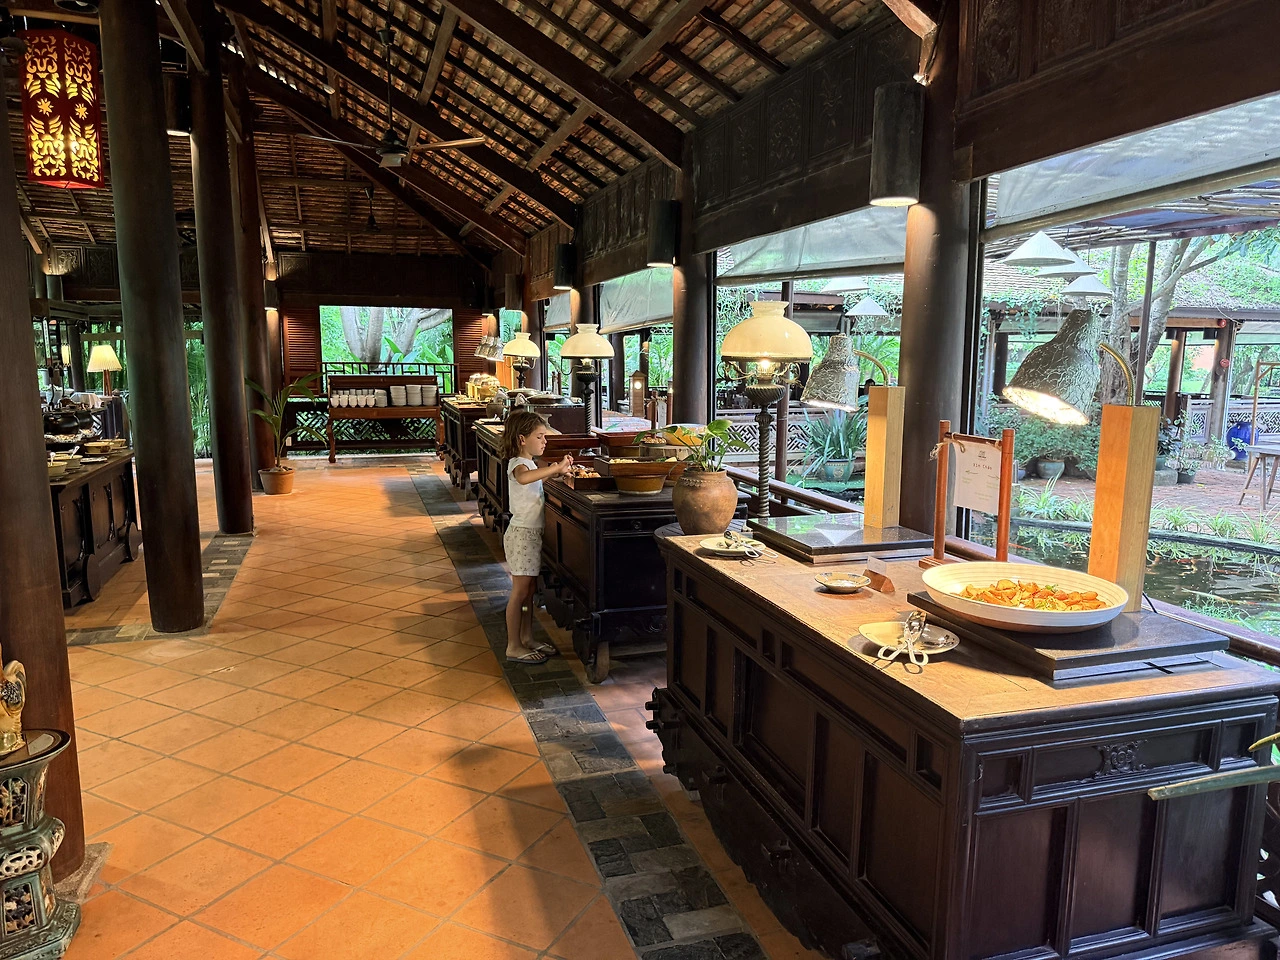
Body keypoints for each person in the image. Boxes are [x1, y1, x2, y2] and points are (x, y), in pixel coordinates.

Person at [501, 409, 573, 663]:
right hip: (522, 536)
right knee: (520, 592)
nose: (545, 441)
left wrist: (557, 472)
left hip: (529, 536)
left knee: (529, 591)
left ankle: (527, 637)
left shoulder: (529, 463)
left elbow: (533, 482)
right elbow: (524, 479)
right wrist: (554, 469)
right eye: (540, 436)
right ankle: (513, 645)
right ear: (522, 439)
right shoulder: (518, 464)